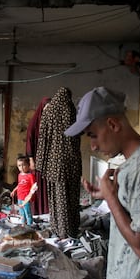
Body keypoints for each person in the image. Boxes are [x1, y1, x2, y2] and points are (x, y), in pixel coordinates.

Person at [64, 87, 140, 279]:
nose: (93, 146)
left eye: (92, 135)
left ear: (113, 124)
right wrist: (111, 195)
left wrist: (111, 200)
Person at [35, 87, 82, 239]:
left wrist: (40, 164)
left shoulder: (48, 112)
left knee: (56, 197)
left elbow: (42, 139)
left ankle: (58, 229)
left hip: (53, 164)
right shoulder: (71, 110)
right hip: (71, 162)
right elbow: (77, 137)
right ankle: (71, 229)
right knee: (71, 196)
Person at [26, 97, 51, 215]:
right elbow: (29, 140)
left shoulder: (50, 122)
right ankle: (37, 210)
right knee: (37, 184)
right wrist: (31, 159)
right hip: (36, 158)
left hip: (48, 159)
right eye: (46, 108)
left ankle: (46, 210)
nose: (48, 111)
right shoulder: (34, 123)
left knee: (46, 184)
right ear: (42, 108)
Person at [10, 155, 38, 226]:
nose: (21, 167)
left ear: (28, 165)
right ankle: (23, 225)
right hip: (20, 197)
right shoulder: (19, 175)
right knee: (22, 213)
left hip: (26, 198)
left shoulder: (30, 176)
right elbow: (19, 184)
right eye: (19, 165)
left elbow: (34, 187)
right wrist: (14, 190)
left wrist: (31, 196)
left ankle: (30, 226)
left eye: (24, 165)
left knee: (27, 213)